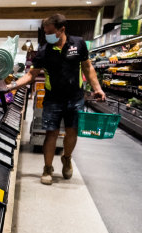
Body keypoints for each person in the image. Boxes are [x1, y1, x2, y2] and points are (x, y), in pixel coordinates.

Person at [7, 14, 106, 185]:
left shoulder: (78, 44)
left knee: (72, 131)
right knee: (51, 133)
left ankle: (66, 158)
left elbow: (87, 67)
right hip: (53, 98)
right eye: (45, 32)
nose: (48, 36)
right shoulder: (44, 51)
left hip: (75, 97)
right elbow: (31, 75)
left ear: (62, 30)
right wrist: (11, 86)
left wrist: (97, 88)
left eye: (51, 32)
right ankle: (47, 168)